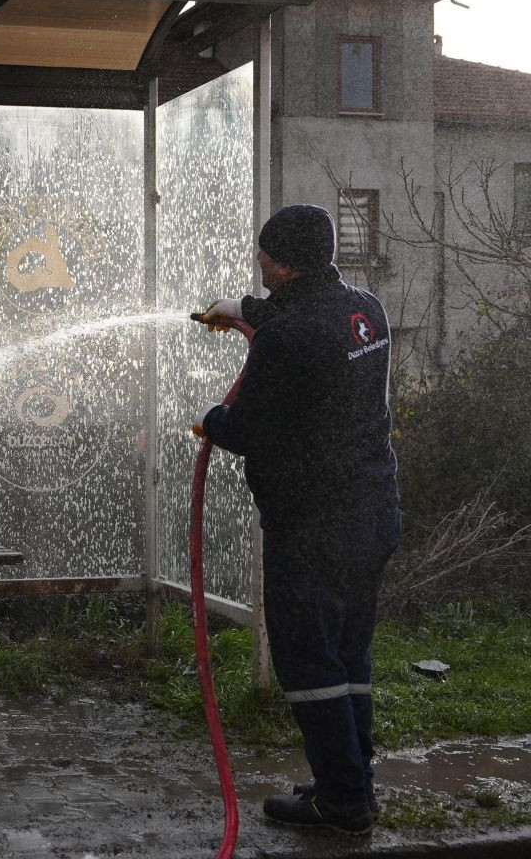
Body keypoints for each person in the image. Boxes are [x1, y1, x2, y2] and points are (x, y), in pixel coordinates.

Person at [195, 204, 400, 836]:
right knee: (348, 654)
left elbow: (250, 427)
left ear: (279, 260)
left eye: (262, 258)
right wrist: (238, 311)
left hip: (312, 524)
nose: (258, 266)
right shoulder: (364, 308)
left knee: (309, 663)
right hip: (371, 511)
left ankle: (342, 804)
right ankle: (352, 781)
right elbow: (304, 323)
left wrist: (211, 421)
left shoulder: (288, 337)